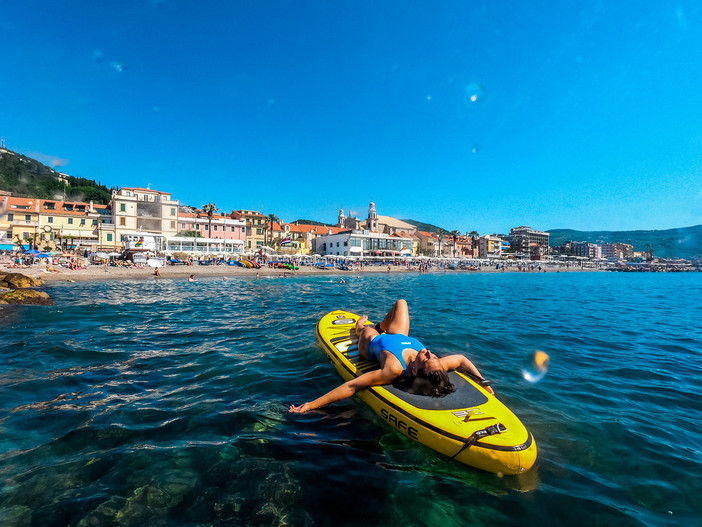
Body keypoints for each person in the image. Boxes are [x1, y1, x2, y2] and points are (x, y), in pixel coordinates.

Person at [289, 299, 493, 414]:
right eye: (433, 357)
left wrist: (310, 405)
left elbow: (353, 386)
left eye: (427, 358)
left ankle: (361, 324)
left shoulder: (394, 369)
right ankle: (380, 325)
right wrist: (482, 381)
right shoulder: (437, 366)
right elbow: (462, 360)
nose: (430, 353)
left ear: (414, 370)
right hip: (399, 336)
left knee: (365, 330)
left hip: (372, 345)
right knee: (401, 303)